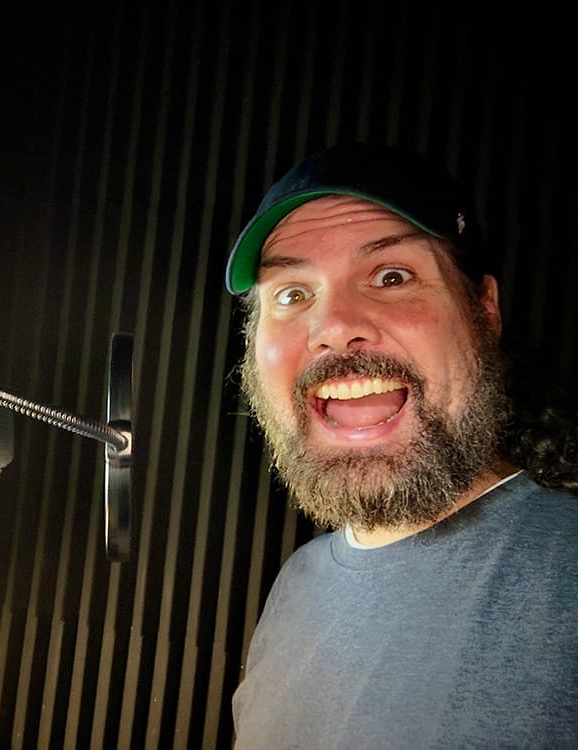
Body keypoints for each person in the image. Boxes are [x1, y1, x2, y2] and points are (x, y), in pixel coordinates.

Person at [223, 142, 577, 748]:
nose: (333, 326)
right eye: (291, 294)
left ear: (483, 311)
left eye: (392, 277)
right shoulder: (295, 589)